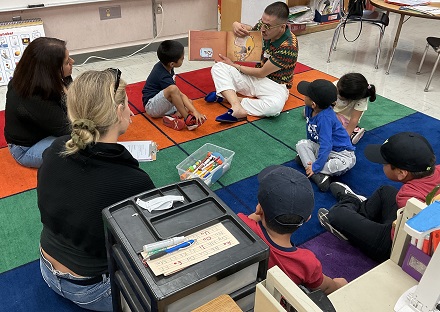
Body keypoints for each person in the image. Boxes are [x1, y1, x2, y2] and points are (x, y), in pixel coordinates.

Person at [37, 69, 156, 311]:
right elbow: (147, 245)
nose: (132, 110)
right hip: (91, 289)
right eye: (127, 104)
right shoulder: (132, 182)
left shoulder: (56, 147)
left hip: (45, 266)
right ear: (118, 111)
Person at [318, 132, 440, 263]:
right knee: (385, 191)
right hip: (404, 224)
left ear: (401, 173)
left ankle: (351, 202)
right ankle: (357, 213)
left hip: (394, 247)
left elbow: (415, 240)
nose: (382, 165)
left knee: (337, 214)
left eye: (384, 163)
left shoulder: (409, 196)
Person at [238, 165, 347, 294]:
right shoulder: (305, 262)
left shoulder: (241, 225)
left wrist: (262, 209)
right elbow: (327, 287)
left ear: (258, 209)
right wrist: (339, 284)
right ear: (307, 219)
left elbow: (250, 219)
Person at [206, 1, 298, 123]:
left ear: (282, 26)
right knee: (219, 67)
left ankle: (227, 98)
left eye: (268, 26)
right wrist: (236, 24)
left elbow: (261, 73)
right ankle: (237, 107)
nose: (263, 29)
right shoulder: (265, 26)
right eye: (262, 22)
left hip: (275, 84)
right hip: (254, 77)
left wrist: (233, 65)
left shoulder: (289, 46)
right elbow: (251, 29)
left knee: (273, 109)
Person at [4, 36, 74, 168]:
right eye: (66, 62)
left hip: (49, 130)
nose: (72, 62)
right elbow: (69, 129)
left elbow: (76, 102)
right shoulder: (32, 96)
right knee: (85, 147)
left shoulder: (54, 77)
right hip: (27, 148)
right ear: (49, 70)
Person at [295, 79, 356, 192]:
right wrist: (313, 152)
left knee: (340, 165)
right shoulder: (309, 109)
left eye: (306, 95)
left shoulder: (325, 118)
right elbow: (311, 135)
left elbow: (327, 145)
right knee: (301, 144)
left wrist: (316, 166)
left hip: (342, 154)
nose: (304, 95)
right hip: (324, 149)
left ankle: (312, 168)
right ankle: (319, 175)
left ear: (313, 104)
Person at [142, 40, 206, 131]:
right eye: (182, 59)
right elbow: (178, 93)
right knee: (173, 89)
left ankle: (172, 118)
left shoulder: (167, 65)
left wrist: (192, 108)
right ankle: (187, 119)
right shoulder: (162, 74)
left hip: (162, 103)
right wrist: (195, 111)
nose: (183, 59)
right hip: (151, 106)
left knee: (189, 102)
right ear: (172, 63)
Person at [333, 73, 376, 144]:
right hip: (333, 111)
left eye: (339, 94)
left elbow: (354, 119)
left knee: (336, 127)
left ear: (351, 99)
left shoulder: (361, 99)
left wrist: (345, 137)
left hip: (346, 119)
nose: (337, 92)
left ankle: (354, 131)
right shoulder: (338, 85)